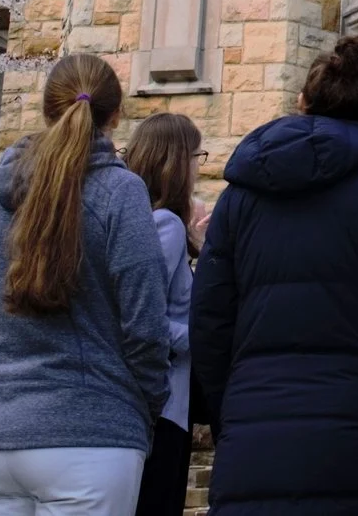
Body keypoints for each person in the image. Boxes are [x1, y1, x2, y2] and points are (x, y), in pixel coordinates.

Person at [0, 53, 173, 516]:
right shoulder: (120, 193)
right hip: (93, 437)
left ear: (47, 110)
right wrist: (143, 403)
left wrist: (5, 359)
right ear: (115, 116)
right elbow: (146, 326)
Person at [195, 35, 358, 514]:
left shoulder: (239, 199)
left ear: (302, 103)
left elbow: (210, 320)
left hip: (254, 433)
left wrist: (227, 412)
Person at [124, 111, 202, 516]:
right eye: (196, 156)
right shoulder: (166, 224)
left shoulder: (137, 219)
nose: (198, 168)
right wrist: (203, 339)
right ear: (176, 162)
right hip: (165, 404)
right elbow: (145, 318)